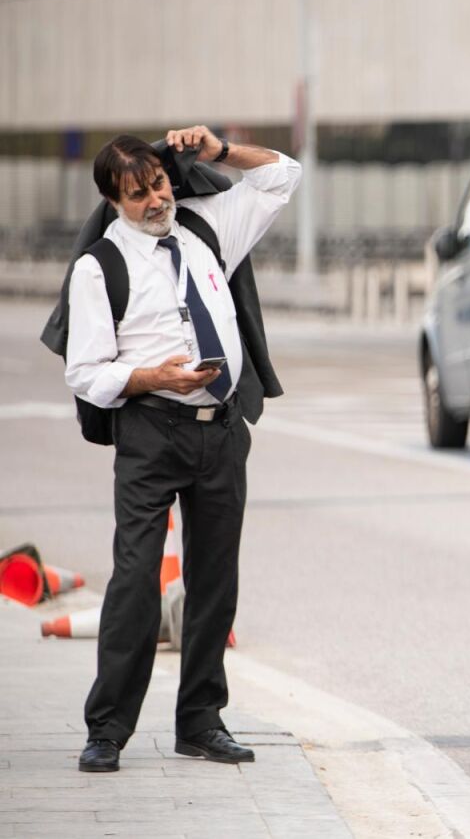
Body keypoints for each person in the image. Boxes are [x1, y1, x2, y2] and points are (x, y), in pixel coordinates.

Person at [65, 127, 301, 773]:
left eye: (159, 184)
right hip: (150, 430)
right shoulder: (99, 268)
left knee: (214, 581)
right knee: (136, 580)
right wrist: (153, 378)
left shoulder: (206, 229)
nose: (155, 201)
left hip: (221, 430)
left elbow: (282, 176)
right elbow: (85, 372)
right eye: (138, 194)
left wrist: (219, 152)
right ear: (113, 201)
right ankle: (107, 729)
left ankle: (200, 722)